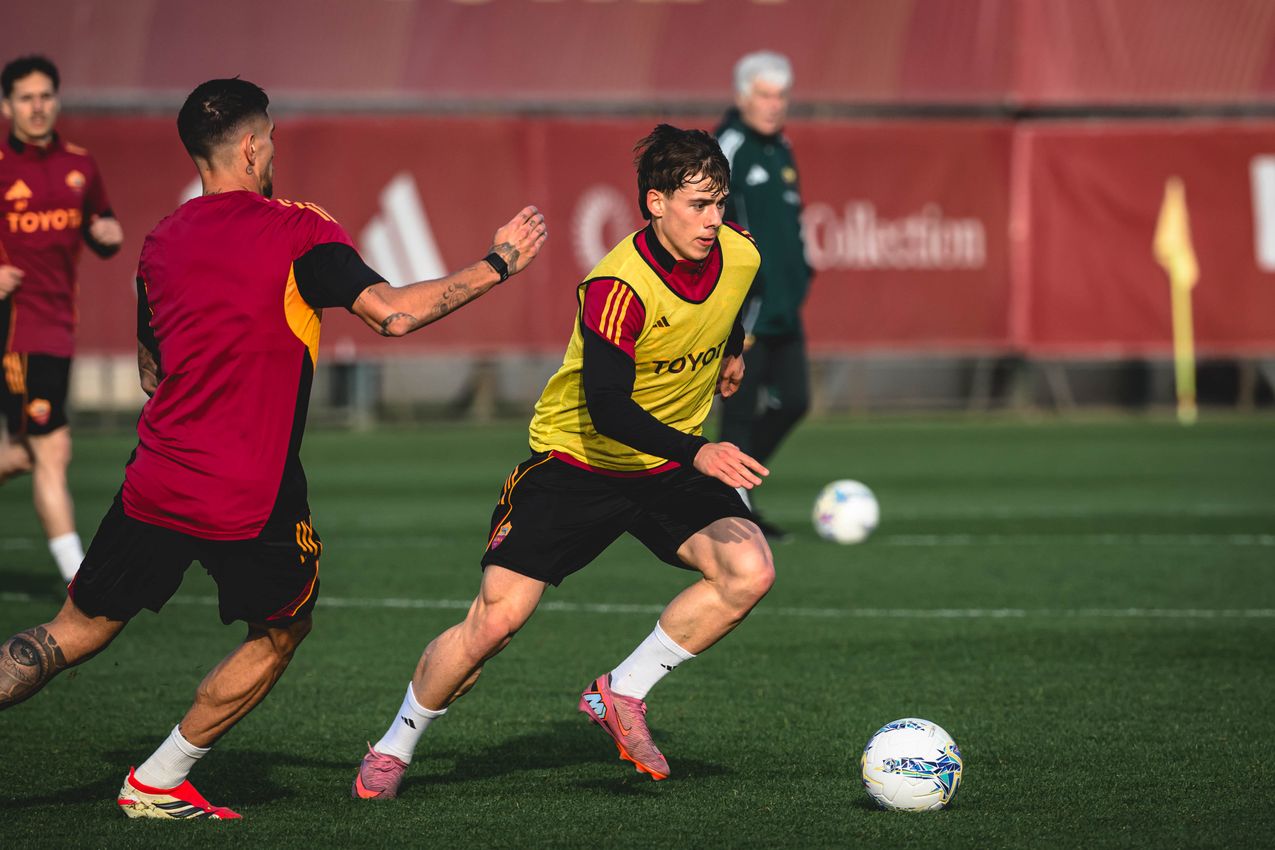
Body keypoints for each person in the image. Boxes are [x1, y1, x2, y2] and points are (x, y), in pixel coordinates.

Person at [0, 77, 547, 821]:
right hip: (249, 493)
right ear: (254, 147)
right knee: (282, 628)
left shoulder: (160, 241)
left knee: (72, 631)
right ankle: (158, 779)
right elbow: (391, 315)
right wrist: (500, 262)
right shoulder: (297, 229)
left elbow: (150, 371)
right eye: (273, 142)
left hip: (155, 479)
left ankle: (154, 778)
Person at [353, 124, 775, 799]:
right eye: (698, 205)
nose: (712, 220)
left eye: (719, 203)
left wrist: (731, 351)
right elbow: (606, 407)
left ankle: (621, 692)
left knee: (748, 570)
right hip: (578, 463)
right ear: (655, 203)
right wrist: (699, 450)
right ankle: (395, 744)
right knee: (494, 623)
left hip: (663, 467)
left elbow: (732, 302)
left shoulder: (740, 253)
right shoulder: (617, 285)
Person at [0, 55, 125, 582]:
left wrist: (109, 234)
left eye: (45, 96)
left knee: (24, 455)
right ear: (7, 105)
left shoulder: (80, 165)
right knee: (52, 451)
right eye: (25, 97)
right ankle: (80, 582)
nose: (37, 107)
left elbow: (102, 222)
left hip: (58, 330)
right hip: (17, 332)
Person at [714, 51, 813, 543]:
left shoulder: (782, 148)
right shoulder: (727, 148)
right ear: (742, 97)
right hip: (746, 312)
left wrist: (801, 272)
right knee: (737, 413)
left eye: (781, 96)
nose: (774, 105)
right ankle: (733, 511)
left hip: (783, 308)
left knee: (794, 401)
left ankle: (730, 490)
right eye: (765, 95)